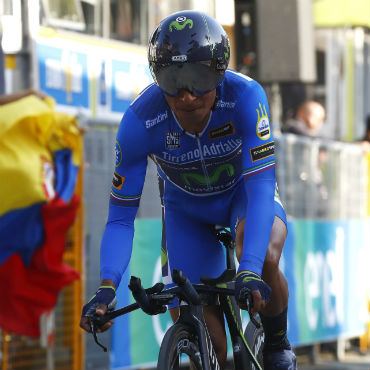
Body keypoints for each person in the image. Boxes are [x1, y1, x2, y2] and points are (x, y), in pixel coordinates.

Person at [80, 10, 297, 370]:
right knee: (204, 335)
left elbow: (260, 186)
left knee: (266, 260)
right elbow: (120, 218)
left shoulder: (245, 97)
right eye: (172, 80)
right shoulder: (138, 122)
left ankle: (277, 345)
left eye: (199, 78)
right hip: (186, 212)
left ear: (220, 72)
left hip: (244, 197)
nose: (186, 95)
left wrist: (251, 269)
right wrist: (106, 287)